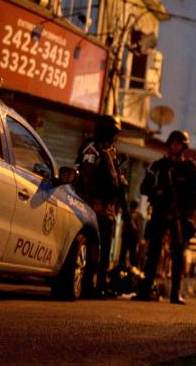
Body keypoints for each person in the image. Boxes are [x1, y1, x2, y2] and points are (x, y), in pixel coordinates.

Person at [136, 130, 196, 305]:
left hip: (179, 216)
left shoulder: (190, 168)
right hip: (159, 212)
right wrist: (156, 192)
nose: (175, 146)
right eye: (173, 143)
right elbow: (143, 188)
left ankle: (175, 293)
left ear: (184, 146)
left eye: (179, 143)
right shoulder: (159, 166)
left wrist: (188, 214)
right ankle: (146, 289)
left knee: (177, 254)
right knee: (153, 252)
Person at [74, 114, 126, 298]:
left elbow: (113, 179)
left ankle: (100, 286)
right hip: (93, 205)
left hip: (107, 208)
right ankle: (87, 285)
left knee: (104, 249)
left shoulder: (110, 151)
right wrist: (95, 202)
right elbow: (86, 176)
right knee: (93, 249)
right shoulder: (92, 148)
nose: (114, 136)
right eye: (112, 132)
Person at [119, 199, 144, 269]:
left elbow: (124, 225)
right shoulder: (137, 215)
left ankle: (125, 267)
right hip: (131, 237)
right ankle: (130, 268)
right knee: (130, 254)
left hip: (129, 237)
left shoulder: (132, 214)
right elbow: (139, 228)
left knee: (126, 254)